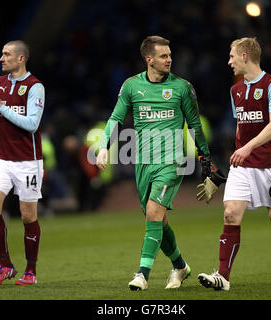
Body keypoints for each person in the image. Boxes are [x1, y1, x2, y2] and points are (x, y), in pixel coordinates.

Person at [96, 36, 225, 291]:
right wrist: (103, 147)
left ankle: (142, 274)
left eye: (170, 55)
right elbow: (116, 118)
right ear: (149, 59)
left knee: (154, 213)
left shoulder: (182, 88)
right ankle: (180, 266)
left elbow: (196, 126)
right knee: (157, 219)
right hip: (143, 163)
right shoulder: (132, 86)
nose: (169, 59)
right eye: (164, 56)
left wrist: (206, 162)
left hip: (172, 162)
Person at [197, 37, 271, 290]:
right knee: (231, 214)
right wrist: (233, 157)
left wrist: (248, 147)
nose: (229, 61)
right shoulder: (236, 90)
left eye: (232, 56)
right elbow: (240, 127)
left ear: (245, 56)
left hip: (270, 165)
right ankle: (223, 276)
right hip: (242, 166)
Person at [0, 40, 45, 286]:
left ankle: (31, 271)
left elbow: (31, 125)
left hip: (29, 162)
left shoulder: (35, 87)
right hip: (3, 159)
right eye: (2, 53)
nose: (1, 58)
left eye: (6, 54)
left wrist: (1, 106)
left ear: (21, 59)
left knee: (28, 217)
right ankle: (5, 265)